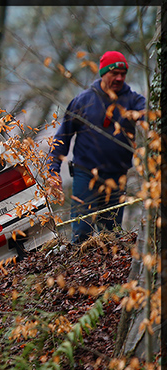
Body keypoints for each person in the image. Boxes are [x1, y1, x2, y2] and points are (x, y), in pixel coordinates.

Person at [47, 50, 146, 244]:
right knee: (82, 230)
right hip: (86, 175)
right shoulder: (83, 101)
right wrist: (53, 170)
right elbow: (62, 138)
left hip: (118, 176)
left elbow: (150, 117)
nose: (119, 78)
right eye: (114, 73)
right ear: (103, 73)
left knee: (112, 232)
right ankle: (75, 269)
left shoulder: (133, 101)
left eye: (123, 74)